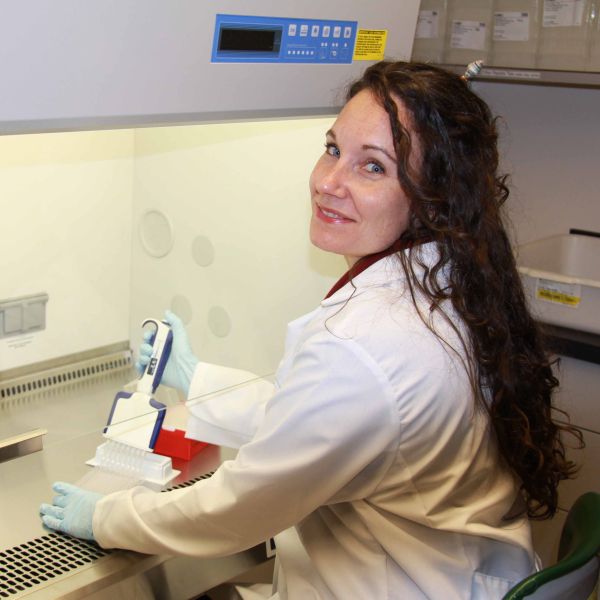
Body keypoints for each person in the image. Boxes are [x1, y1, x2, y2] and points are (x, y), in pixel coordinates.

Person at [40, 61, 583, 599]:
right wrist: (198, 378)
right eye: (332, 150)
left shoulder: (368, 342)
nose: (327, 183)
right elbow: (326, 423)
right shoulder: (453, 285)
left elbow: (242, 508)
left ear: (434, 194)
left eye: (372, 167)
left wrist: (109, 516)